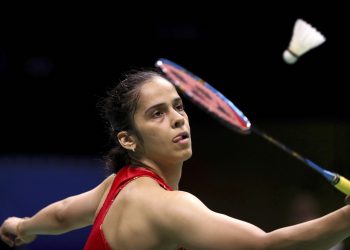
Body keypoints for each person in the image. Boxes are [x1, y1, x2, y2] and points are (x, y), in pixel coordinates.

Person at [1, 69, 350, 250]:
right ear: (127, 139)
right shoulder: (168, 206)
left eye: (178, 106)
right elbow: (266, 246)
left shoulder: (117, 187)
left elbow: (62, 213)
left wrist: (23, 227)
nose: (178, 118)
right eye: (156, 113)